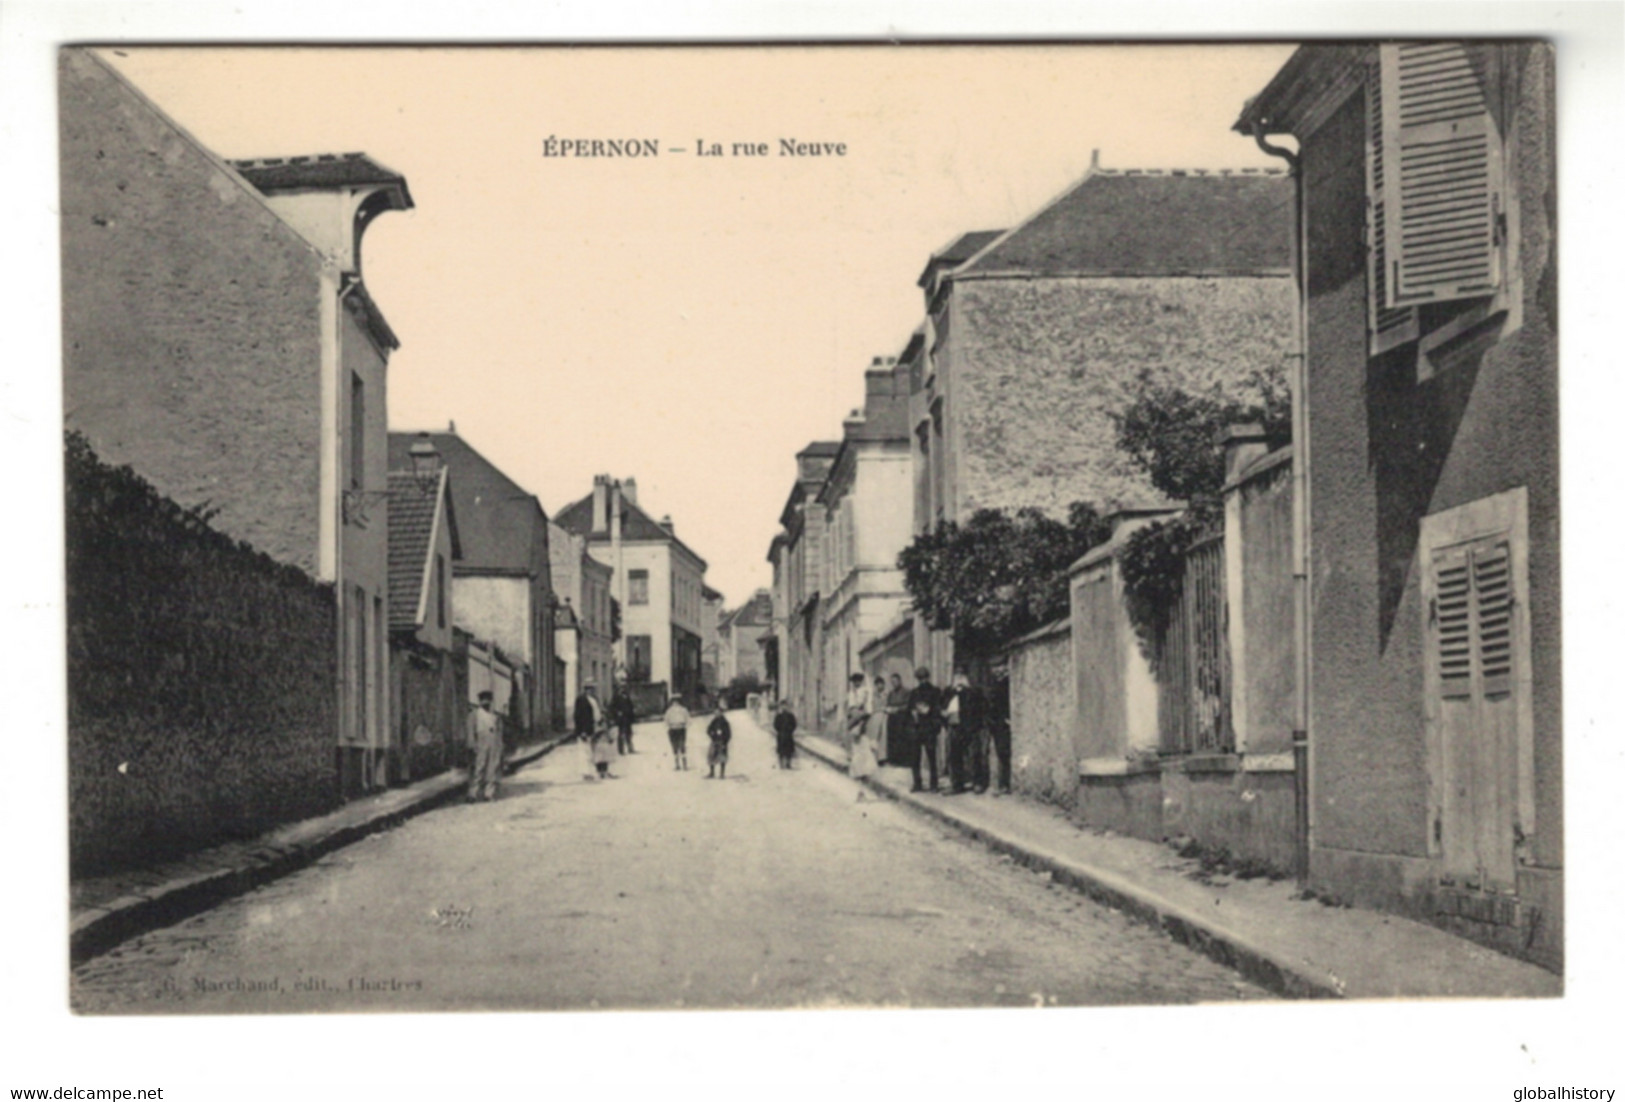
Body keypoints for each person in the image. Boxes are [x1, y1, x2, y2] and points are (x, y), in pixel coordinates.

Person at [906, 667, 941, 793]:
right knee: (915, 758)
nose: (922, 681)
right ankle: (917, 783)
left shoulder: (935, 691)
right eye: (920, 679)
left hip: (929, 728)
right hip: (916, 728)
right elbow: (909, 708)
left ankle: (934, 784)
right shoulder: (914, 692)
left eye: (924, 678)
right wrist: (913, 712)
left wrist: (928, 710)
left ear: (928, 677)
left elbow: (938, 710)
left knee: (931, 757)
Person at [466, 690, 503, 802]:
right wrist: (472, 744)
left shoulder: (495, 716)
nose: (486, 702)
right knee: (479, 767)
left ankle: (489, 793)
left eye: (488, 700)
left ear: (491, 701)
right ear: (480, 701)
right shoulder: (474, 715)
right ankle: (473, 793)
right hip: (480, 741)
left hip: (493, 742)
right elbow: (470, 730)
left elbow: (499, 731)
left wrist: (500, 745)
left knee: (493, 767)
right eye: (483, 700)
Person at [576, 681, 616, 780]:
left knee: (599, 751)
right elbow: (578, 716)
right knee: (585, 752)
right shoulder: (581, 700)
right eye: (589, 688)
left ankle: (601, 772)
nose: (592, 690)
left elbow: (598, 712)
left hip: (596, 727)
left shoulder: (594, 699)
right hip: (585, 729)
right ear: (585, 689)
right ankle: (586, 774)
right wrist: (582, 731)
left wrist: (602, 721)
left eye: (593, 688)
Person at [845, 671, 877, 781]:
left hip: (863, 720)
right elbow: (850, 708)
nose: (856, 683)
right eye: (855, 681)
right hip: (855, 719)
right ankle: (857, 772)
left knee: (864, 746)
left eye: (858, 681)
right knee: (856, 747)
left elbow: (868, 709)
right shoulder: (851, 693)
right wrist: (853, 716)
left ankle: (865, 772)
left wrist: (862, 716)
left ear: (861, 681)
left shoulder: (865, 692)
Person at [883, 672, 909, 766]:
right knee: (892, 738)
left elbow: (908, 705)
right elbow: (887, 704)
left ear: (900, 681)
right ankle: (893, 760)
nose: (894, 683)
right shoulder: (891, 693)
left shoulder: (906, 692)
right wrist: (887, 709)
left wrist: (897, 709)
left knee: (901, 739)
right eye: (892, 682)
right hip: (892, 718)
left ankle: (902, 761)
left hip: (902, 719)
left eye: (895, 681)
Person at [663, 694, 692, 771]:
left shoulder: (684, 710)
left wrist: (685, 726)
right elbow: (666, 721)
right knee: (674, 747)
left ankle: (684, 764)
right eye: (674, 701)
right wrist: (669, 726)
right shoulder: (669, 711)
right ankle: (677, 764)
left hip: (681, 729)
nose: (675, 703)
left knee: (682, 746)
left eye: (677, 701)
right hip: (673, 729)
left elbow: (688, 720)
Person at [610, 681, 637, 755]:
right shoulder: (616, 696)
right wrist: (617, 712)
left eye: (624, 687)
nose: (623, 688)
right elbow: (612, 707)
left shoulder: (626, 695)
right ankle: (621, 750)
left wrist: (632, 712)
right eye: (622, 687)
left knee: (629, 733)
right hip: (621, 718)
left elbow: (630, 705)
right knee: (621, 733)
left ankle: (630, 748)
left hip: (628, 717)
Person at [706, 709, 732, 779]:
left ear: (721, 713)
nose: (716, 714)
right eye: (715, 713)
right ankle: (712, 773)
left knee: (722, 757)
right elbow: (708, 730)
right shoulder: (713, 721)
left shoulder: (725, 722)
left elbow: (728, 734)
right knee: (711, 756)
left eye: (718, 713)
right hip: (714, 741)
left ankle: (722, 774)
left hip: (722, 741)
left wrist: (725, 742)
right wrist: (712, 735)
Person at [870, 675, 891, 763]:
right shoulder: (873, 695)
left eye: (881, 684)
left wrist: (885, 709)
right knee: (874, 735)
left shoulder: (887, 694)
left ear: (884, 685)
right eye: (877, 684)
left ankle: (882, 757)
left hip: (884, 715)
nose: (879, 686)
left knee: (883, 735)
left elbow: (889, 705)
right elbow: (872, 706)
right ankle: (874, 756)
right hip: (875, 715)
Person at [772, 701, 798, 769]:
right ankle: (781, 764)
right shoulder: (778, 716)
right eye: (782, 706)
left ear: (787, 706)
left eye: (785, 706)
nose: (784, 707)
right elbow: (775, 725)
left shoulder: (791, 716)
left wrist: (790, 729)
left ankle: (788, 764)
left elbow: (794, 724)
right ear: (781, 707)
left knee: (789, 750)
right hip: (781, 735)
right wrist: (779, 730)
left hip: (789, 735)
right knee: (781, 750)